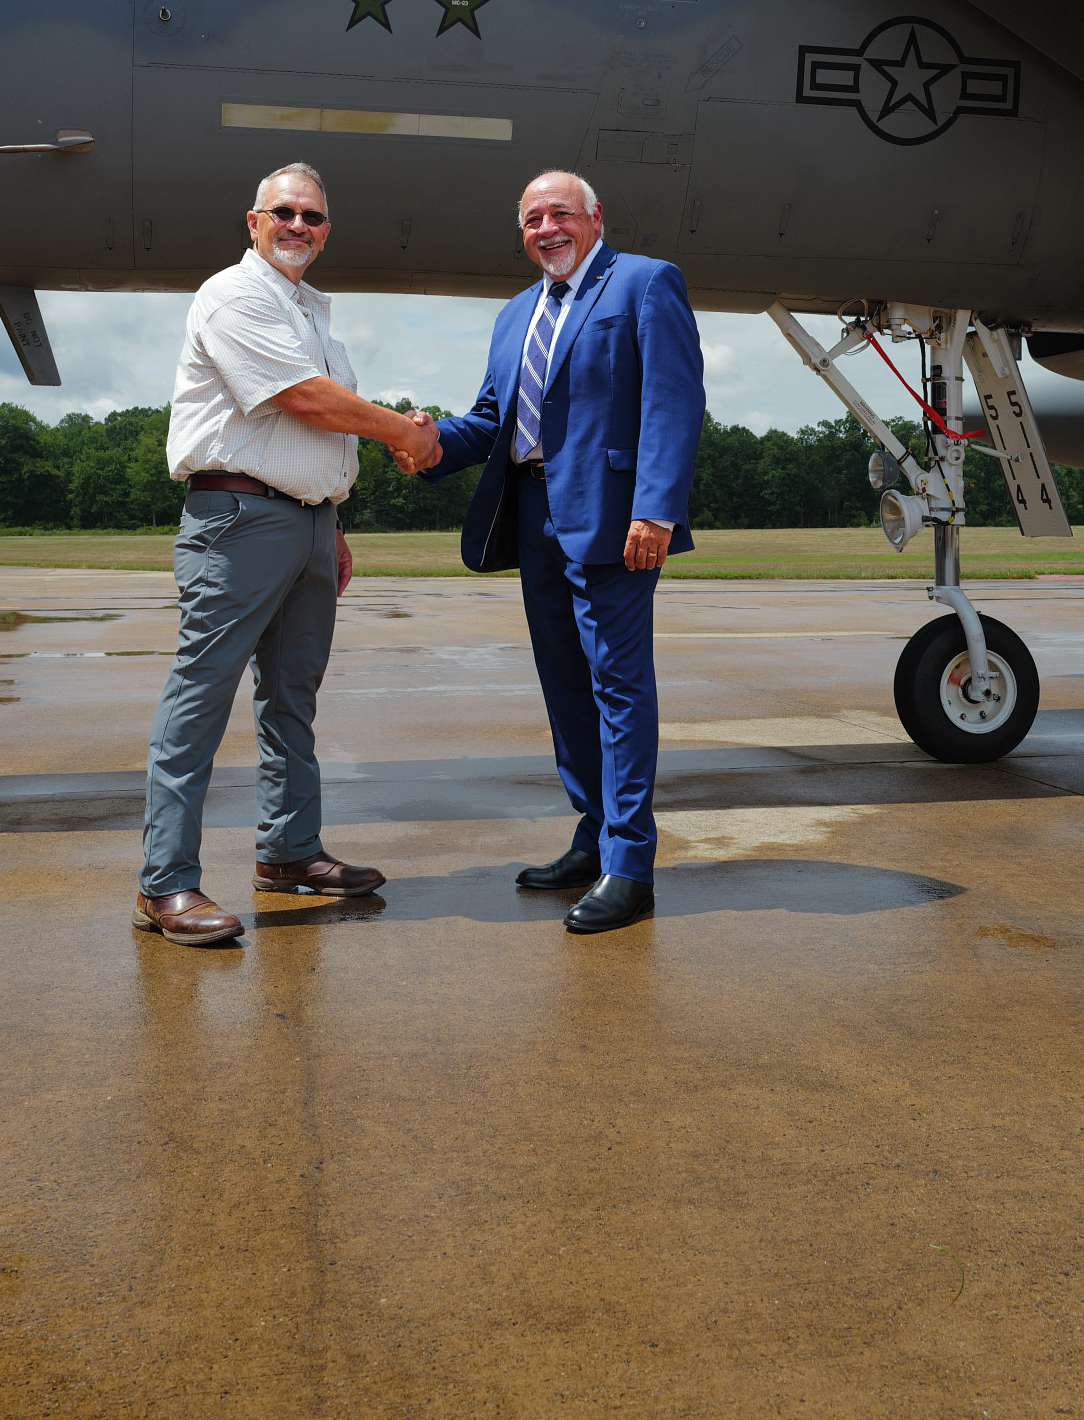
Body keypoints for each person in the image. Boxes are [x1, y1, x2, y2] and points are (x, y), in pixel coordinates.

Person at [134, 161, 440, 946]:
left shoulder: (312, 318)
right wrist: (403, 433)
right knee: (199, 699)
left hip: (304, 525)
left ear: (325, 229)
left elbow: (319, 427)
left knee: (291, 700)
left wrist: (329, 520)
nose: (297, 226)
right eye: (284, 213)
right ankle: (164, 884)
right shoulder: (232, 295)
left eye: (311, 216)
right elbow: (301, 399)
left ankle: (289, 853)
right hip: (238, 518)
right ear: (253, 222)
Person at [397, 170, 705, 934]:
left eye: (559, 214)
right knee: (565, 689)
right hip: (532, 513)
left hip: (614, 517)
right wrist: (425, 439)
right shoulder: (513, 315)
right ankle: (591, 835)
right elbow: (494, 421)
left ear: (595, 218)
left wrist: (656, 509)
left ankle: (630, 863)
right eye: (532, 219)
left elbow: (673, 399)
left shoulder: (643, 283)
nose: (546, 229)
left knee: (618, 689)